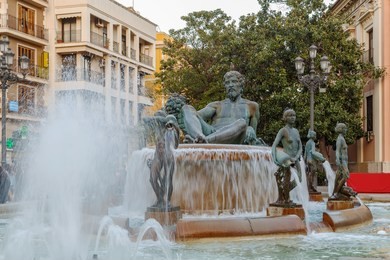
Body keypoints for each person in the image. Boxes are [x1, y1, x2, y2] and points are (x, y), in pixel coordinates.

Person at [176, 70, 264, 145]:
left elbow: (253, 137)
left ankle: (204, 142)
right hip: (212, 132)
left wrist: (250, 128)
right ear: (225, 86)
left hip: (235, 138)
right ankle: (199, 137)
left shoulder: (252, 106)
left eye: (234, 81)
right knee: (187, 108)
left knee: (242, 123)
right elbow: (194, 117)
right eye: (227, 83)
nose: (230, 85)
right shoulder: (217, 105)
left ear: (241, 85)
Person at [271, 108, 303, 205]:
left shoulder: (296, 131)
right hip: (287, 159)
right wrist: (275, 158)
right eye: (290, 115)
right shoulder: (283, 130)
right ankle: (286, 199)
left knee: (300, 179)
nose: (293, 117)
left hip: (295, 158)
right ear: (285, 118)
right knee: (287, 178)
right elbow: (274, 145)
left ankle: (284, 194)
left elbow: (300, 147)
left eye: (294, 115)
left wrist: (296, 157)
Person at [329, 123, 357, 200]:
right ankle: (336, 193)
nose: (346, 130)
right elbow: (337, 150)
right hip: (342, 162)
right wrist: (337, 159)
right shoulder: (340, 139)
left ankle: (336, 193)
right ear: (341, 129)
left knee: (338, 177)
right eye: (344, 128)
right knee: (346, 175)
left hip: (344, 161)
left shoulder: (342, 138)